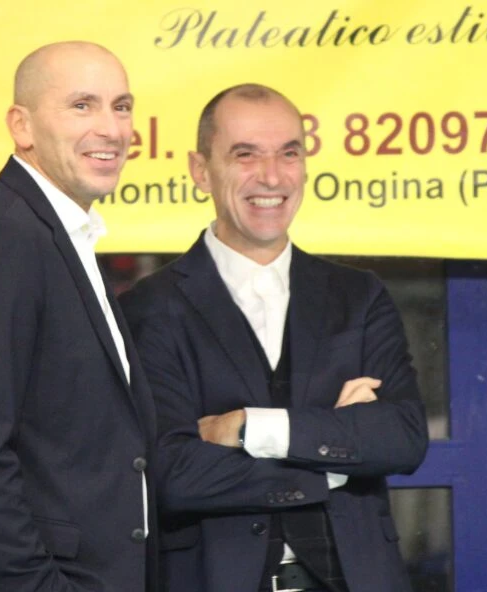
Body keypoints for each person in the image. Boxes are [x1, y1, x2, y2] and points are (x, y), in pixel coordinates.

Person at [120, 84, 428, 592]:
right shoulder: (148, 309)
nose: (272, 176)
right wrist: (333, 460)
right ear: (201, 170)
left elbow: (402, 437)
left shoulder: (359, 297)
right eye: (245, 155)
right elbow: (172, 473)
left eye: (289, 153)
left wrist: (248, 427)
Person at [0, 41, 158, 592]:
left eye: (121, 107)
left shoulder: (55, 232)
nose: (111, 128)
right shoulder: (5, 238)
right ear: (21, 126)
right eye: (82, 105)